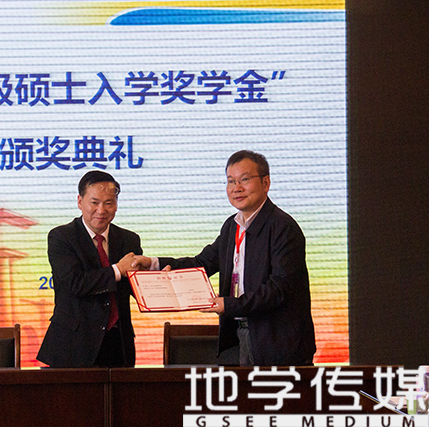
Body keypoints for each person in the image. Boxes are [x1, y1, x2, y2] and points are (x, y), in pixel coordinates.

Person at [133, 150, 316, 366]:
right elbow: (202, 263)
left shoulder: (283, 228)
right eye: (231, 181)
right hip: (240, 335)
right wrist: (154, 263)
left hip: (277, 342)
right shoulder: (232, 226)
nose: (236, 188)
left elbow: (279, 288)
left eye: (244, 179)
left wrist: (229, 305)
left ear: (266, 183)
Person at [37, 170, 142, 368]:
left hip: (118, 343)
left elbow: (136, 287)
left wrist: (158, 278)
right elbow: (75, 283)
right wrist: (117, 270)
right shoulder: (61, 237)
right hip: (74, 344)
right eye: (94, 202)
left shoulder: (129, 240)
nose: (101, 210)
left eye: (108, 203)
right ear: (80, 201)